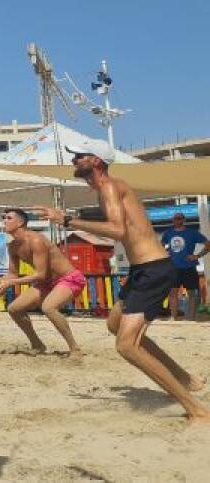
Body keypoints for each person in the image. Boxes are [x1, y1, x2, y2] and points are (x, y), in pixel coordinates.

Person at [34, 138, 210, 421]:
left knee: (127, 345)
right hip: (144, 269)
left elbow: (117, 230)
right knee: (114, 324)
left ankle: (196, 410)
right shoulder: (108, 188)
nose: (73, 160)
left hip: (154, 269)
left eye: (79, 156)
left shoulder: (109, 187)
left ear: (96, 161)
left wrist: (67, 221)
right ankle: (187, 379)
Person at [0, 209, 84, 356]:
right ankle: (37, 345)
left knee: (48, 307)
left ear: (20, 223)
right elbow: (12, 274)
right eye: (4, 218)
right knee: (14, 309)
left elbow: (40, 275)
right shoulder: (12, 246)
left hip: (69, 279)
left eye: (9, 218)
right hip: (47, 283)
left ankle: (75, 349)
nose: (4, 221)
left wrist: (10, 283)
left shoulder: (36, 240)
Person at [162, 212, 208, 321]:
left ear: (184, 220)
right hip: (173, 268)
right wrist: (165, 253)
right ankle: (174, 318)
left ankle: (191, 318)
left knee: (192, 293)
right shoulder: (168, 233)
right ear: (173, 221)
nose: (177, 220)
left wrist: (197, 256)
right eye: (175, 219)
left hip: (189, 267)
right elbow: (161, 246)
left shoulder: (192, 233)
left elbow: (208, 244)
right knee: (173, 292)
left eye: (179, 218)